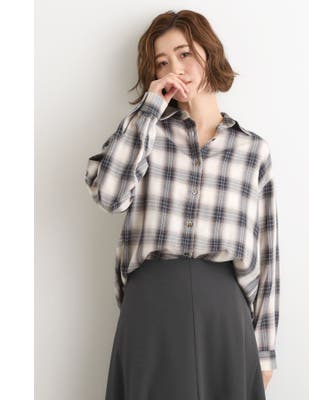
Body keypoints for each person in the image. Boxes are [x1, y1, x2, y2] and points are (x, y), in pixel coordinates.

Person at [84, 9, 280, 400]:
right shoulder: (144, 132)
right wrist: (149, 109)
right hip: (150, 306)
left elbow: (267, 254)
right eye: (162, 62)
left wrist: (265, 351)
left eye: (184, 53)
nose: (175, 68)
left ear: (209, 53)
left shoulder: (252, 150)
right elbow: (109, 194)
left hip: (224, 314)